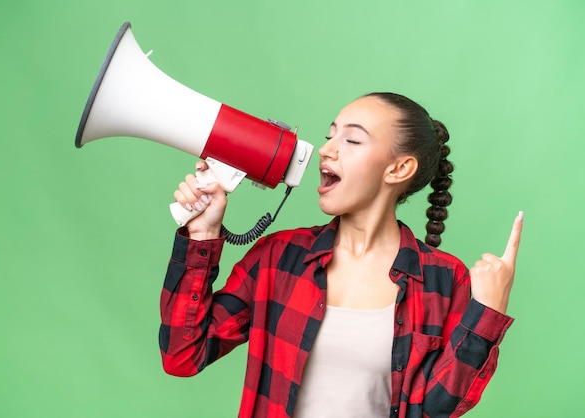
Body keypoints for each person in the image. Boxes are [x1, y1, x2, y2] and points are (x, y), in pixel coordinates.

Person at [159, 92, 523, 418]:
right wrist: (203, 233)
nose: (326, 149)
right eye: (330, 135)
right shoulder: (278, 257)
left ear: (399, 169)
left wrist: (486, 314)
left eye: (351, 139)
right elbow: (183, 355)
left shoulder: (444, 279)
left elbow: (438, 408)